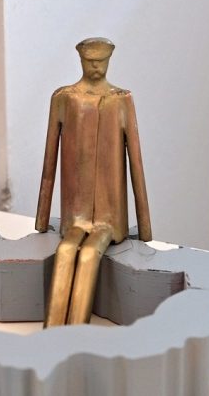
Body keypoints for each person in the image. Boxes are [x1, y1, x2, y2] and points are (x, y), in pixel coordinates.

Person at [35, 38, 152, 326]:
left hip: (110, 216)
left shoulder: (121, 100)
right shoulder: (64, 98)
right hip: (75, 212)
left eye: (101, 61)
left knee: (88, 256)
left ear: (109, 61)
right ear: (81, 61)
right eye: (90, 62)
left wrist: (145, 229)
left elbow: (136, 163)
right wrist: (41, 220)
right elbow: (49, 161)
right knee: (65, 251)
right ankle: (53, 335)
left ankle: (72, 336)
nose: (96, 67)